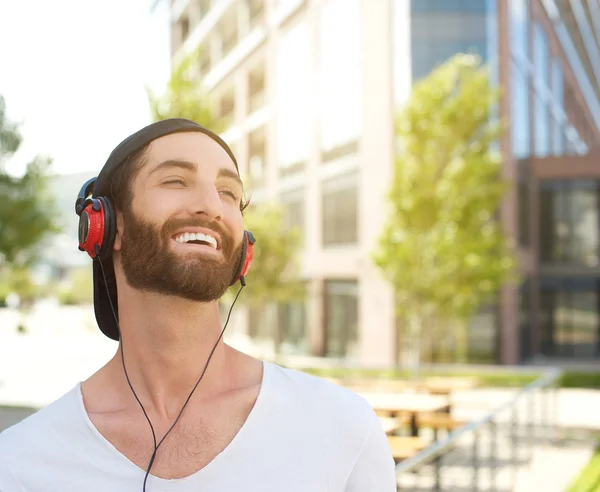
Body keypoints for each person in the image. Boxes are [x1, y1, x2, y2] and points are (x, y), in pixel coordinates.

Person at [0, 119, 396, 491]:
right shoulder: (19, 464)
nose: (212, 205)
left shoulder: (343, 430)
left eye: (229, 193)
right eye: (175, 180)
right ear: (105, 226)